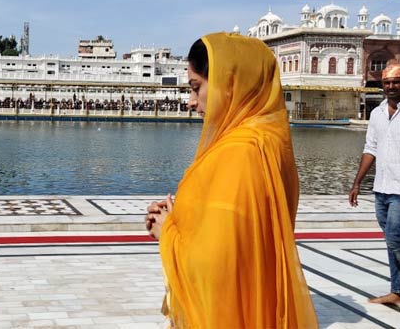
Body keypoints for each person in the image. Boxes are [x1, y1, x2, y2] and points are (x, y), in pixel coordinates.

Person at [145, 33, 318, 327]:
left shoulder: (241, 152)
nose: (190, 102)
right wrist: (181, 216)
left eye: (195, 87)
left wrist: (168, 232)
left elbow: (215, 266)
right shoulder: (270, 143)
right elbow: (239, 235)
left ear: (230, 84)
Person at [349, 62, 400, 305]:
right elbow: (371, 149)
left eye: (396, 82)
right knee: (391, 240)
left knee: (394, 237)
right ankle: (397, 291)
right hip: (381, 188)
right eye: (387, 82)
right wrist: (357, 183)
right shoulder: (378, 114)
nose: (391, 86)